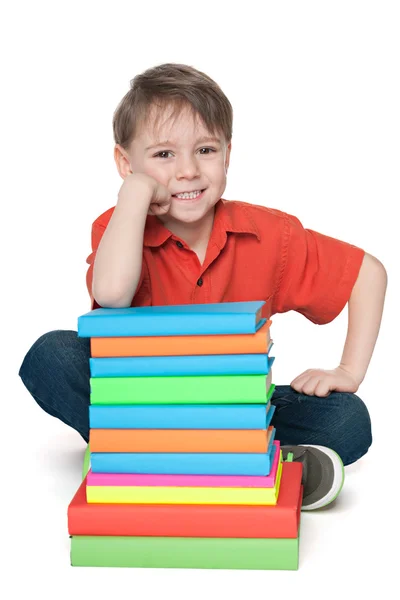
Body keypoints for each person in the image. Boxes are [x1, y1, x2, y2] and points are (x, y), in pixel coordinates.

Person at [19, 63, 387, 510]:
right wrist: (133, 195)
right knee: (51, 356)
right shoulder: (118, 226)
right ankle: (239, 463)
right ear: (125, 163)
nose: (188, 171)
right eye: (162, 155)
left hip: (237, 409)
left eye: (206, 150)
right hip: (140, 405)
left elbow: (367, 272)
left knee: (349, 419)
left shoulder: (271, 233)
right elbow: (113, 293)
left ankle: (178, 461)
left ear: (228, 154)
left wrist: (348, 371)